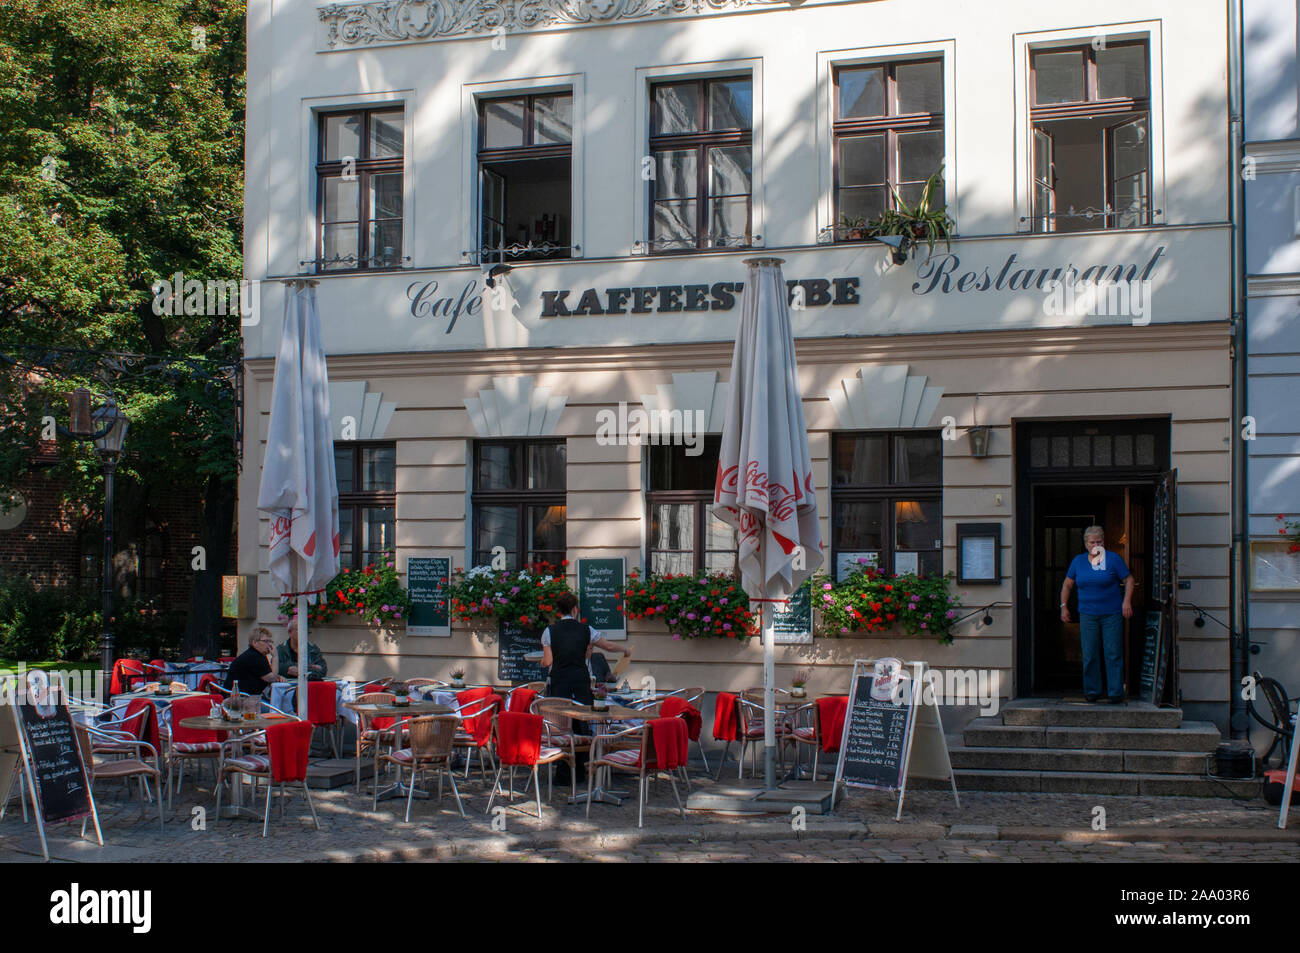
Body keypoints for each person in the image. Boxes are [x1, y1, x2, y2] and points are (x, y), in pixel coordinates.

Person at [1060, 525, 1134, 704]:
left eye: (1099, 541)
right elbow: (1067, 585)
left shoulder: (1114, 559)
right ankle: (1092, 691)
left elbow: (1129, 579)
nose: (1095, 545)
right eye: (1092, 542)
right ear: (1086, 544)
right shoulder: (1078, 561)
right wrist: (1064, 606)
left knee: (1113, 652)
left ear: (1104, 542)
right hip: (1088, 614)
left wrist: (1126, 601)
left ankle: (1116, 692)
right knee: (1090, 654)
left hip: (1112, 614)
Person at [540, 592, 631, 706]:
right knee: (582, 716)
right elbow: (608, 646)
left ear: (559, 611)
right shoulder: (587, 629)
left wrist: (542, 662)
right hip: (580, 680)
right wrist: (625, 650)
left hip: (559, 681)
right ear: (574, 609)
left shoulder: (549, 631)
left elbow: (548, 661)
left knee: (560, 718)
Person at [225, 627, 285, 698]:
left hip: (246, 697)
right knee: (277, 707)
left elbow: (268, 674)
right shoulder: (254, 657)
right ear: (254, 642)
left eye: (270, 641)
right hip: (240, 700)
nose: (269, 645)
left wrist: (277, 677)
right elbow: (271, 678)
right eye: (266, 641)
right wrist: (275, 657)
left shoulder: (257, 655)